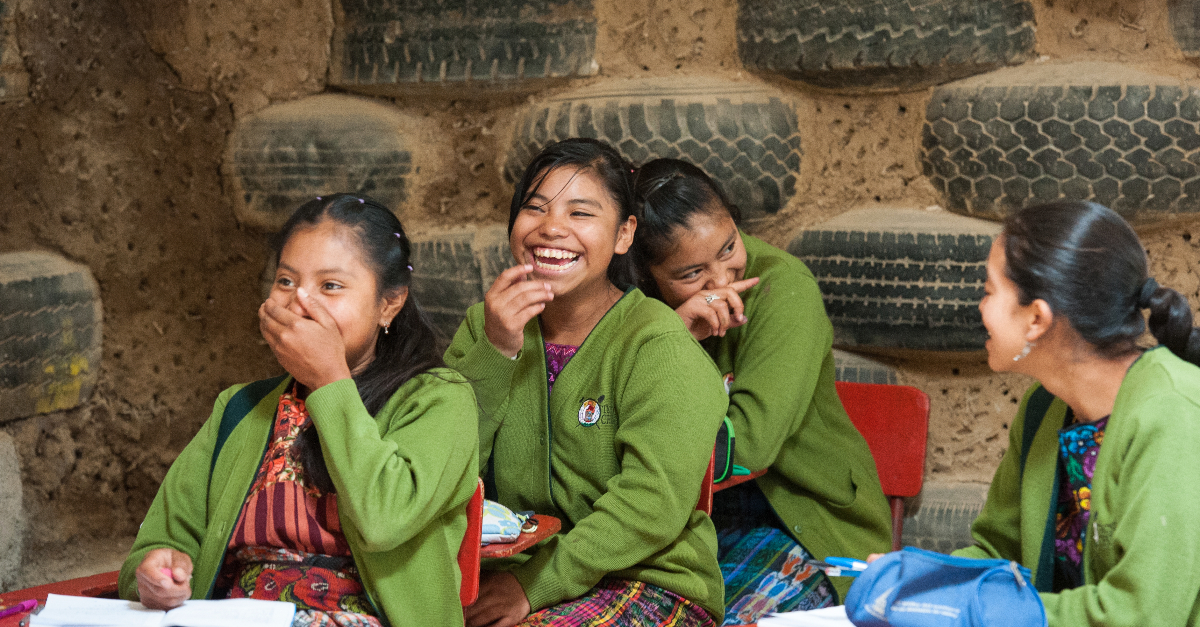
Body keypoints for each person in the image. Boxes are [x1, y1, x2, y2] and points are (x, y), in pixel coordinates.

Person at [118, 194, 480, 627]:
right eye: (286, 281)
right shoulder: (239, 408)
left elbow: (385, 520)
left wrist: (329, 381)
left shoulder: (440, 401)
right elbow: (157, 545)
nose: (299, 302)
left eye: (330, 286)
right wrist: (156, 574)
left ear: (390, 303)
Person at [445, 139, 729, 627]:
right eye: (535, 208)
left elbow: (650, 507)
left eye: (581, 213)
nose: (551, 227)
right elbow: (443, 466)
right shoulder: (483, 326)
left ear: (623, 235)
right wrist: (498, 349)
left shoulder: (656, 344)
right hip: (503, 573)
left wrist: (531, 587)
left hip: (648, 581)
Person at [631, 159, 892, 624]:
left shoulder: (783, 289)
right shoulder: (638, 310)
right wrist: (672, 336)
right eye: (691, 273)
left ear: (734, 220)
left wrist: (645, 462)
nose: (721, 281)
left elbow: (750, 445)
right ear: (647, 275)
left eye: (728, 247)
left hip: (800, 528)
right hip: (683, 528)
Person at [944, 200, 1200, 625]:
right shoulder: (1043, 408)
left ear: (1036, 319)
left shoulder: (1172, 413)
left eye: (989, 291)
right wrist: (922, 582)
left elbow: (1144, 615)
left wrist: (984, 611)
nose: (980, 308)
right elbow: (998, 553)